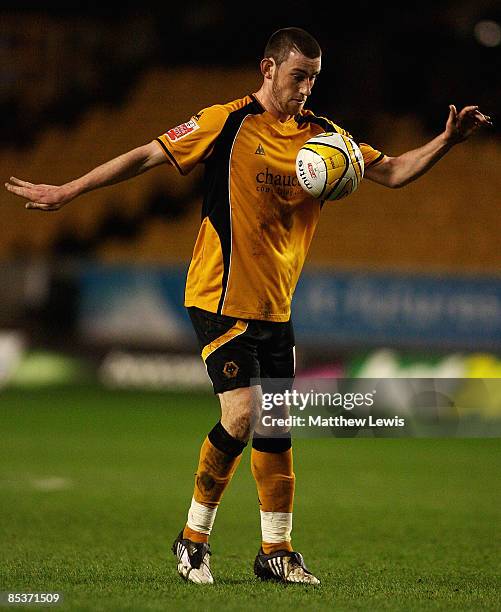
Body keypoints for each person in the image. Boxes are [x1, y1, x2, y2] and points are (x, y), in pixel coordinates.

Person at [4, 27, 492, 586]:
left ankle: (276, 552)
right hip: (217, 294)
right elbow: (146, 156)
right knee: (240, 415)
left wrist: (447, 141)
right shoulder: (226, 121)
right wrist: (68, 191)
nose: (306, 88)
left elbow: (396, 171)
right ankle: (192, 541)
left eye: (313, 77)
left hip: (275, 306)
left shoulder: (326, 138)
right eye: (297, 76)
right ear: (267, 68)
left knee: (277, 426)